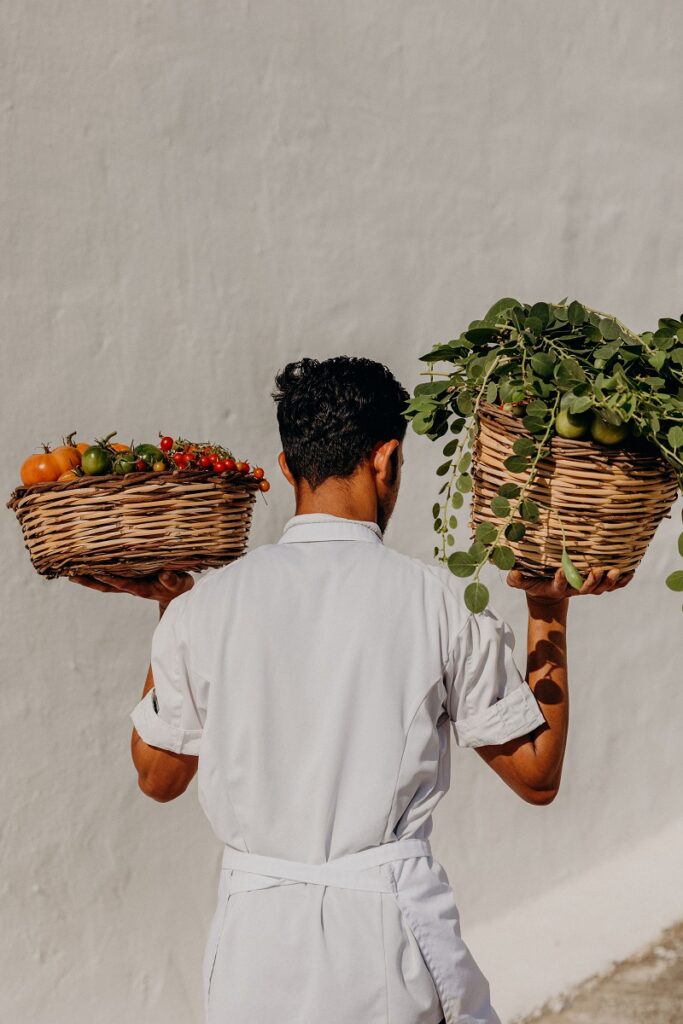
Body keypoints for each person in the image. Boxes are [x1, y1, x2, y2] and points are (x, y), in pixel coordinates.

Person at [71, 356, 630, 1024]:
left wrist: (172, 611)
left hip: (253, 953)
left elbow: (158, 777)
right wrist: (547, 611)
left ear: (285, 468)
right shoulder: (442, 603)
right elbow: (536, 776)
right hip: (386, 945)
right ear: (387, 459)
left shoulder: (204, 609)